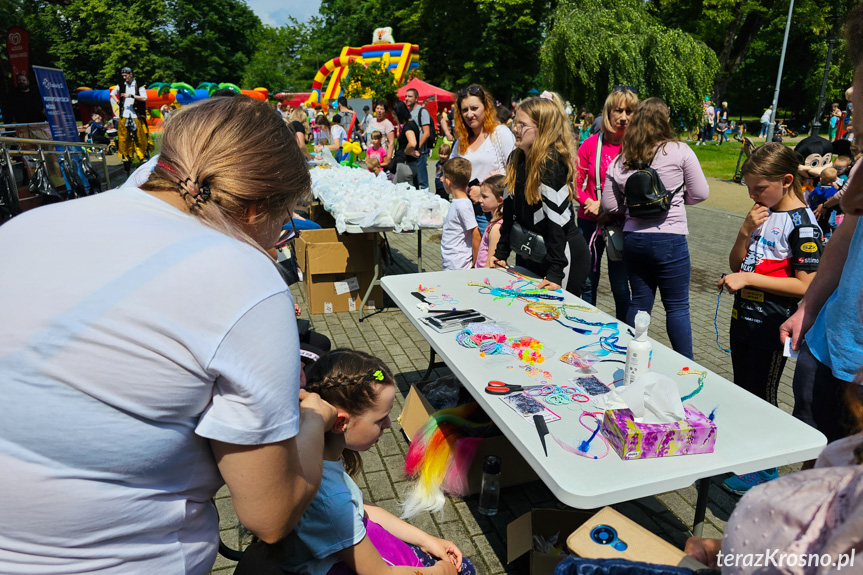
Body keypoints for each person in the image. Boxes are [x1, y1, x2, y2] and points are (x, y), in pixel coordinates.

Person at [0, 96, 338, 573]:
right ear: (256, 208)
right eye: (284, 223)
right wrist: (313, 419)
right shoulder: (244, 278)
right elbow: (270, 514)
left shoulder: (24, 227)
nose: (278, 241)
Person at [235, 349, 472, 575]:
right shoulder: (330, 500)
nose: (389, 425)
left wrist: (426, 540)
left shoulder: (314, 456)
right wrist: (440, 571)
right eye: (380, 420)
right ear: (341, 423)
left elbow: (359, 505)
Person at [718, 143, 823, 495]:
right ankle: (745, 456)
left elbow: (805, 284)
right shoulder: (761, 213)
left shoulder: (804, 225)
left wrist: (748, 280)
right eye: (749, 189)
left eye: (760, 188)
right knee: (743, 387)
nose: (754, 196)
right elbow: (737, 264)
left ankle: (765, 468)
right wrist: (744, 231)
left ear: (787, 180)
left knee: (763, 394)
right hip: (742, 317)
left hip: (773, 323)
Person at [782, 4, 863, 445]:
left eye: (858, 77)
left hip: (858, 380)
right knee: (813, 463)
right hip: (825, 348)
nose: (850, 93)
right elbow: (844, 239)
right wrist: (808, 308)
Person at [602, 98, 709, 359]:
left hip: (634, 239)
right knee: (677, 307)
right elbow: (701, 193)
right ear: (665, 120)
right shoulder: (680, 150)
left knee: (639, 302)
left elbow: (609, 205)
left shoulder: (623, 158)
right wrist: (676, 199)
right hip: (670, 238)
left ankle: (629, 356)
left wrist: (631, 207)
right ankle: (687, 365)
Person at [492, 97, 590, 295]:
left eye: (522, 125)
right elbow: (510, 212)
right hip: (531, 250)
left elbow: (557, 224)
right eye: (514, 122)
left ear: (542, 128)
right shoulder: (516, 158)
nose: (515, 129)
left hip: (562, 255)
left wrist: (555, 272)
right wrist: (501, 253)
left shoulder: (551, 164)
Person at [575, 88, 638, 321]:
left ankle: (624, 333)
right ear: (608, 113)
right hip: (588, 223)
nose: (623, 117)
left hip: (620, 224)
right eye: (618, 110)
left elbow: (639, 190)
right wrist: (588, 202)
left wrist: (609, 208)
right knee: (587, 282)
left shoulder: (636, 147)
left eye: (629, 111)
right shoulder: (590, 145)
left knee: (620, 287)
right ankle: (587, 327)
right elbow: (575, 183)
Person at [451, 84, 516, 236]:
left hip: (491, 213)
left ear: (486, 108)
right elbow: (450, 172)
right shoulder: (461, 141)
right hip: (465, 210)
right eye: (465, 110)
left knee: (488, 257)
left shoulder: (500, 133)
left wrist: (484, 191)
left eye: (474, 108)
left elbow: (516, 172)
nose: (469, 114)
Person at [440, 157, 480, 270]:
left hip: (458, 263)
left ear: (448, 182)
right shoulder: (458, 202)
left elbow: (476, 233)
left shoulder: (463, 205)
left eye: (443, 177)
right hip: (451, 260)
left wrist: (475, 261)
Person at [110, 66, 151, 173]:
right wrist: (118, 102)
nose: (124, 78)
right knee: (124, 137)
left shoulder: (139, 85)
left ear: (131, 74)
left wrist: (131, 96)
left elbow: (144, 98)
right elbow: (112, 93)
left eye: (125, 75)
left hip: (136, 115)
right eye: (123, 76)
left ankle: (143, 155)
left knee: (140, 136)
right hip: (124, 115)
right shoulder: (121, 85)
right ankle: (126, 156)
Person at [405, 88, 434, 189]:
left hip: (420, 151)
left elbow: (426, 133)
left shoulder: (422, 111)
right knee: (413, 180)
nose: (407, 98)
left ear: (416, 98)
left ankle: (426, 200)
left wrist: (418, 147)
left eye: (410, 96)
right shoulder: (408, 112)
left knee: (422, 180)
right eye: (406, 96)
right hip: (410, 151)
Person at [475, 174, 505, 268]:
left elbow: (491, 262)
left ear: (500, 200)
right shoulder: (493, 222)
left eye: (484, 196)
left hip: (485, 276)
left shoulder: (496, 228)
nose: (480, 200)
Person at [390, 100, 420, 187]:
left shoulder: (408, 126)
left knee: (404, 194)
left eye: (395, 117)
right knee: (394, 188)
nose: (394, 120)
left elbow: (412, 143)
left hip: (405, 165)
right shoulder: (412, 124)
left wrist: (407, 151)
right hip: (408, 164)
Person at [365, 100, 396, 165]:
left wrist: (389, 157)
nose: (379, 111)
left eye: (381, 109)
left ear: (385, 111)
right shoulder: (372, 121)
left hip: (381, 157)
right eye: (377, 108)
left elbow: (392, 142)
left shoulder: (387, 124)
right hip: (370, 154)